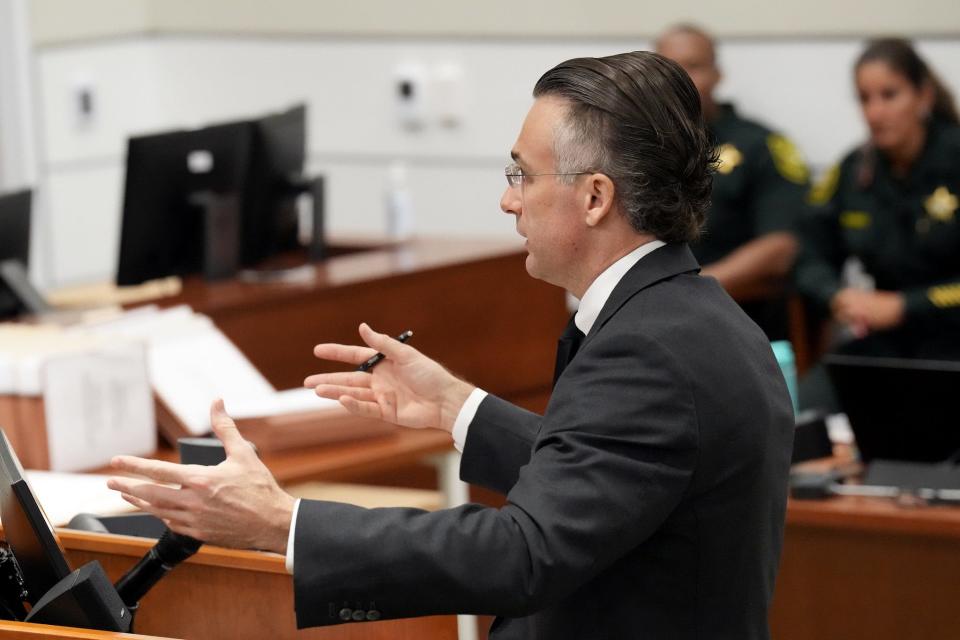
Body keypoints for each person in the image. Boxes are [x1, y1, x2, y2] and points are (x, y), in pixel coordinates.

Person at [108, 52, 794, 639]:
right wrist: (457, 406)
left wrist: (282, 522)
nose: (507, 200)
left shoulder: (647, 349)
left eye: (522, 174)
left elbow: (523, 552)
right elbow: (614, 476)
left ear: (595, 197)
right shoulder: (687, 314)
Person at [796, 38, 960, 360]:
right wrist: (836, 296)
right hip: (887, 344)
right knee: (803, 404)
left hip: (951, 336)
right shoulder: (853, 170)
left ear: (923, 95)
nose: (875, 112)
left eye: (889, 95)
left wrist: (905, 306)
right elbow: (808, 254)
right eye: (864, 99)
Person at [656, 24, 810, 341]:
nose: (681, 80)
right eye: (669, 69)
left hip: (740, 315)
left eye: (694, 66)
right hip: (653, 310)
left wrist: (695, 287)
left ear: (718, 74)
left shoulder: (761, 146)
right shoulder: (635, 147)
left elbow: (783, 246)